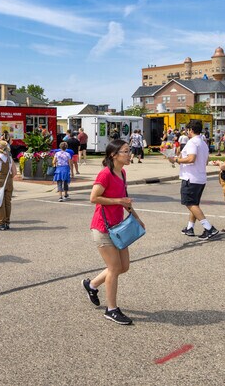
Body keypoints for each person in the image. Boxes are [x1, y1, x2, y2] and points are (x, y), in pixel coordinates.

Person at [82, 139, 144, 325]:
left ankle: (91, 285)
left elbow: (124, 198)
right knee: (115, 269)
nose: (129, 154)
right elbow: (94, 198)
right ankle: (111, 309)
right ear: (113, 155)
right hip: (103, 227)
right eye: (125, 151)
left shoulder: (122, 172)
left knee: (123, 267)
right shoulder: (105, 175)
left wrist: (136, 216)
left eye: (129, 150)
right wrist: (118, 201)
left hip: (117, 227)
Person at [167, 120, 219, 240]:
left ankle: (209, 228)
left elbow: (191, 159)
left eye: (187, 130)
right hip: (200, 177)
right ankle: (190, 227)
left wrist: (176, 160)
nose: (186, 132)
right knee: (194, 204)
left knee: (189, 203)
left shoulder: (192, 142)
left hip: (190, 177)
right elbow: (205, 160)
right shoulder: (203, 143)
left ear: (190, 130)